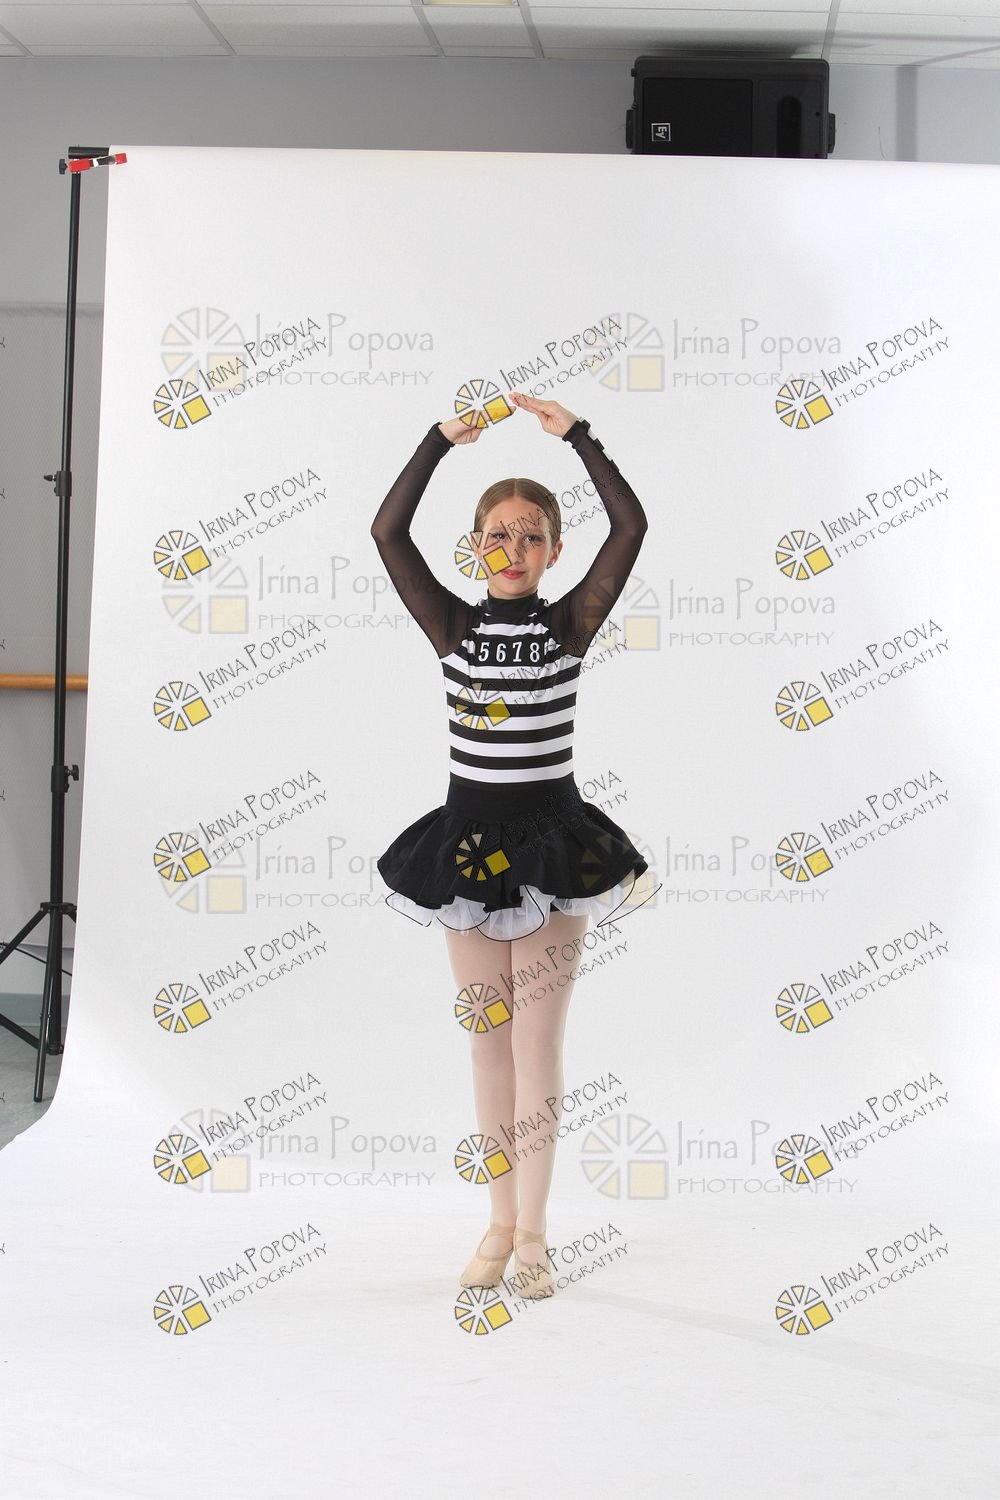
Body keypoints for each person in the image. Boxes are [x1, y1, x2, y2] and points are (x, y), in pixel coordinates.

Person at [370, 390, 660, 1299]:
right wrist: (438, 442)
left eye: (531, 536)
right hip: (465, 851)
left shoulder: (568, 626)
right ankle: (496, 1223)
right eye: (496, 535)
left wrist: (579, 438)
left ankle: (534, 1233)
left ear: (553, 551)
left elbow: (631, 525)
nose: (512, 548)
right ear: (474, 547)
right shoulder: (453, 629)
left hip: (550, 850)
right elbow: (387, 533)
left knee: (537, 1044)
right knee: (485, 1041)